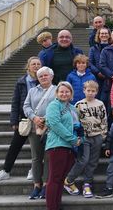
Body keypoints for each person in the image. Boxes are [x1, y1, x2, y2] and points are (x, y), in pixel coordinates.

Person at [0, 56, 41, 182]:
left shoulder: (44, 80)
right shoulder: (21, 82)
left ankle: (33, 170)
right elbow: (15, 102)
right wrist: (14, 120)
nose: (36, 66)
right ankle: (6, 171)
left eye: (38, 64)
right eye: (33, 64)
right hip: (24, 119)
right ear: (28, 66)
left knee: (37, 148)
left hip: (39, 119)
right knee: (15, 146)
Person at [63, 80, 107, 198]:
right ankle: (69, 180)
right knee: (84, 160)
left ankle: (87, 184)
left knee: (93, 162)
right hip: (84, 137)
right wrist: (77, 136)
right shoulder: (79, 105)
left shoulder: (100, 104)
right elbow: (75, 121)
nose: (90, 93)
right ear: (84, 91)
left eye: (93, 91)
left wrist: (103, 135)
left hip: (97, 136)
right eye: (88, 90)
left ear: (96, 92)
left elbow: (103, 119)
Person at [44, 81, 82, 210]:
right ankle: (51, 207)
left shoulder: (72, 108)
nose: (64, 94)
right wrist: (72, 139)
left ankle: (57, 205)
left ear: (71, 94)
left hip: (69, 147)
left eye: (67, 91)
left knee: (60, 179)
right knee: (54, 178)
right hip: (57, 145)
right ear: (57, 93)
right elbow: (55, 125)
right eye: (61, 91)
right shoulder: (53, 105)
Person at [23, 66, 57, 199]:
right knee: (36, 157)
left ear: (51, 76)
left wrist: (48, 119)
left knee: (48, 157)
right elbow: (26, 106)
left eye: (46, 75)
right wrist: (34, 118)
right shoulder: (32, 91)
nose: (43, 77)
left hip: (51, 128)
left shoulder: (56, 90)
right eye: (41, 76)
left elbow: (61, 105)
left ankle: (46, 185)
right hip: (35, 127)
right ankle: (37, 184)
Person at [89, 27, 111, 100]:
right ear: (98, 35)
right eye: (102, 33)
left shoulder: (112, 48)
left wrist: (108, 73)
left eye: (106, 33)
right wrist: (97, 72)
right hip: (97, 77)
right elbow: (90, 63)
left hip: (109, 77)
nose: (104, 35)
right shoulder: (93, 49)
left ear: (109, 35)